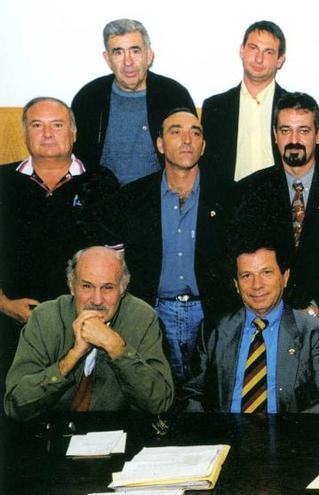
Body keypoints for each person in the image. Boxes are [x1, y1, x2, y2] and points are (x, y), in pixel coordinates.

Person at [234, 92, 319, 383]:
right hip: (268, 320)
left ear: (318, 135)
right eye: (285, 130)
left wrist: (315, 309)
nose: (294, 139)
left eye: (303, 130)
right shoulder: (251, 192)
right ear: (275, 136)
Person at [96, 109, 230, 383]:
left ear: (203, 146)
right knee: (158, 398)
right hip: (153, 312)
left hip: (212, 313)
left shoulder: (230, 195)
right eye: (176, 131)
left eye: (195, 132)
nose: (187, 139)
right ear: (159, 144)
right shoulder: (132, 198)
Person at [0, 97, 118, 392]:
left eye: (57, 125)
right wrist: (4, 304)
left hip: (82, 327)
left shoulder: (101, 181)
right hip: (11, 323)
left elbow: (117, 259)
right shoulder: (2, 180)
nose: (48, 134)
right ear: (25, 133)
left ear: (74, 132)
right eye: (37, 125)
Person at [4, 246, 174, 420]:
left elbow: (159, 403)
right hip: (50, 432)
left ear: (123, 289)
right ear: (71, 286)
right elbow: (15, 405)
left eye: (108, 288)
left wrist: (116, 348)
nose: (97, 300)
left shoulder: (141, 318)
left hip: (114, 433)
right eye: (87, 286)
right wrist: (74, 355)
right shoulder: (45, 318)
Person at [181, 239, 319, 413]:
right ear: (236, 285)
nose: (257, 285)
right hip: (226, 435)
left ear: (285, 277)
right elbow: (192, 395)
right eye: (246, 275)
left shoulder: (314, 332)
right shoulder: (214, 329)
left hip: (288, 436)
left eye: (266, 272)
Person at [71, 19, 195, 185]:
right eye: (118, 52)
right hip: (102, 197)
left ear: (149, 55)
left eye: (135, 51)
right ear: (107, 59)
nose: (128, 62)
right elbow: (76, 160)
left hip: (156, 197)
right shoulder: (89, 97)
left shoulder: (173, 95)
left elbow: (190, 155)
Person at [201, 21, 289, 186]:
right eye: (253, 48)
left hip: (280, 200)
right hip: (230, 202)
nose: (258, 58)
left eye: (268, 52)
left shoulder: (293, 108)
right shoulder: (215, 107)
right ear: (242, 50)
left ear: (280, 60)